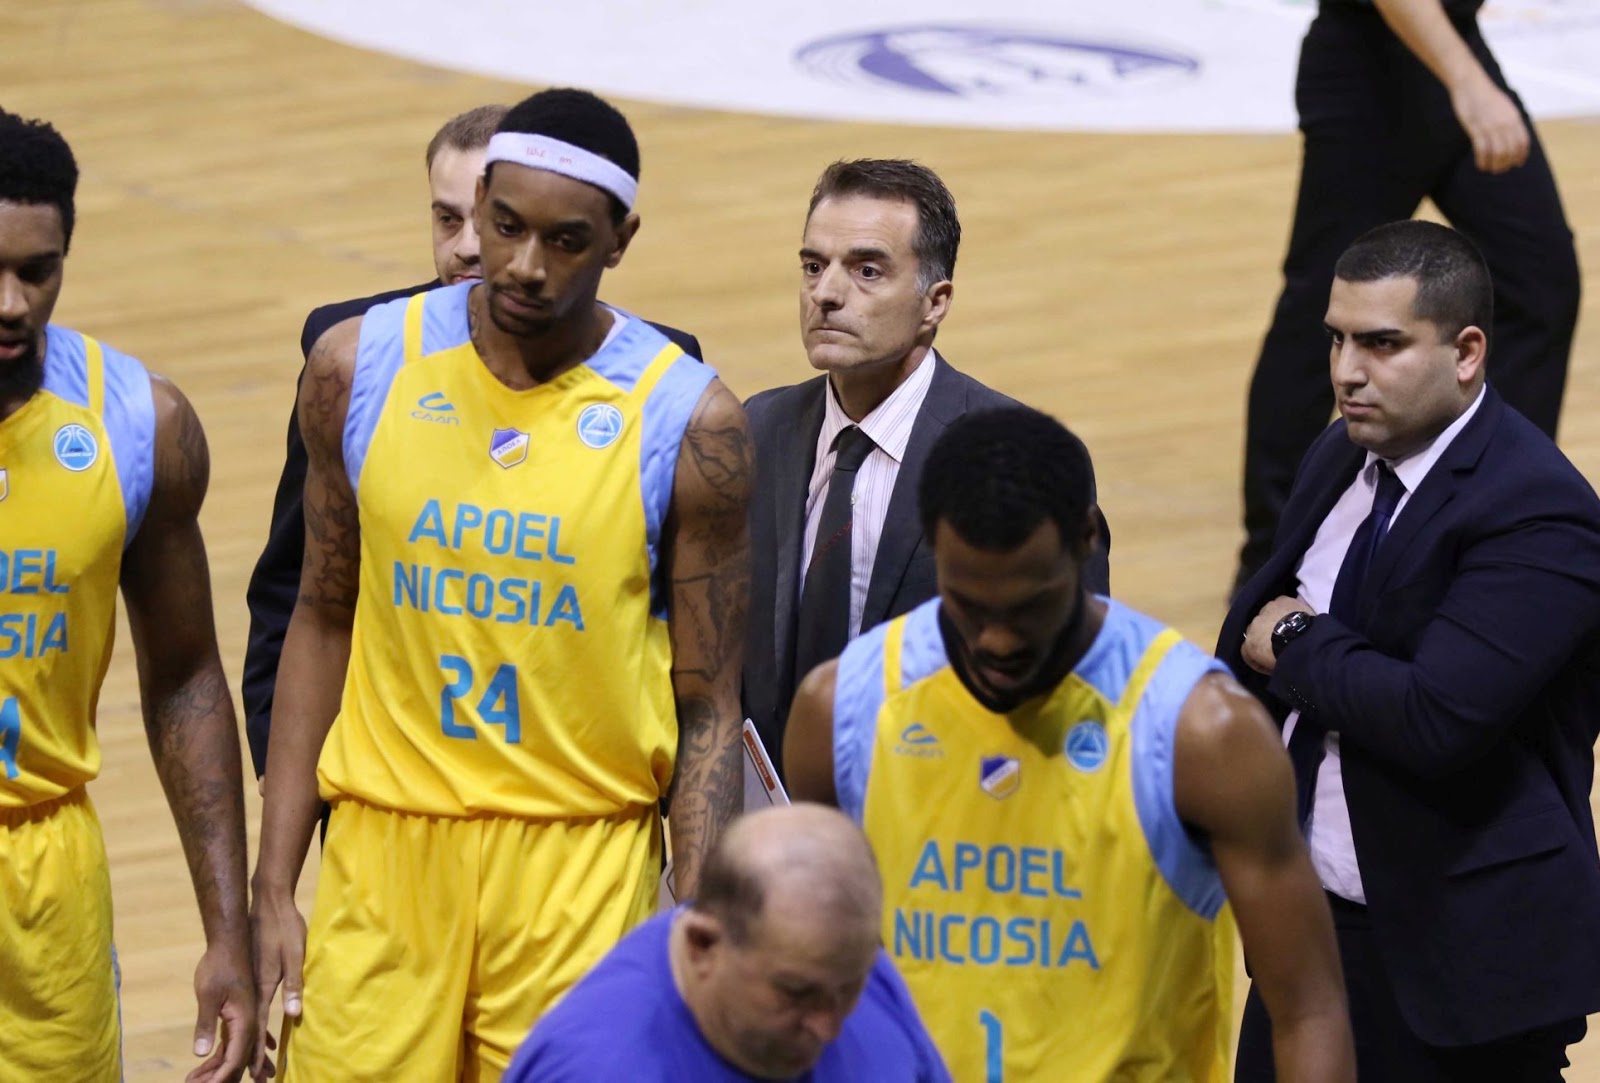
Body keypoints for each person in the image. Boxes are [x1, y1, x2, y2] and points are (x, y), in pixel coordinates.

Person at [249, 88, 751, 1081]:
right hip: (382, 860)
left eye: (565, 242)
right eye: (507, 225)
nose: (524, 265)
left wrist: (694, 925)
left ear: (620, 240)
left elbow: (708, 706)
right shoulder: (355, 368)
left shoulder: (693, 423)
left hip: (582, 867)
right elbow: (319, 618)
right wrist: (273, 884)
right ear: (476, 205)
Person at [785, 407, 1355, 1082]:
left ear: (1086, 539)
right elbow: (805, 969)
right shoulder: (842, 709)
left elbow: (1307, 1006)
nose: (997, 640)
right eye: (970, 605)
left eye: (1029, 605)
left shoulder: (1202, 732)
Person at [1220, 220, 1600, 1079]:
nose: (1347, 371)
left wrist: (1298, 639)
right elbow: (1246, 647)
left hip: (1460, 965)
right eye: (1338, 339)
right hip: (1310, 934)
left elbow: (1435, 716)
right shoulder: (1343, 451)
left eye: (1382, 344)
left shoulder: (1538, 511)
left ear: (1466, 352)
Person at [242, 103, 703, 776]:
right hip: (387, 777)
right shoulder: (352, 354)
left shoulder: (665, 374)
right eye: (445, 218)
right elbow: (295, 581)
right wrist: (284, 765)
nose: (465, 245)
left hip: (571, 771)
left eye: (487, 222)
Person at [0, 110, 255, 1082]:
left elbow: (185, 678)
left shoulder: (137, 420)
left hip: (43, 879)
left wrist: (226, 932)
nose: (12, 303)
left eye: (38, 271)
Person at [743, 158, 1109, 779]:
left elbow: (1076, 685)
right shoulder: (757, 428)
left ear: (935, 302)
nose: (826, 293)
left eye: (867, 270)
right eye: (813, 266)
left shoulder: (1018, 458)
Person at [1234, 0, 1577, 589]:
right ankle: (1272, 555)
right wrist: (1469, 83)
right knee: (1322, 314)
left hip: (1451, 46)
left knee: (1540, 284)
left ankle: (1500, 513)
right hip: (1371, 73)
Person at [506, 804, 950, 1082]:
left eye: (849, 987)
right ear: (703, 946)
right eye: (796, 992)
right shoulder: (593, 1067)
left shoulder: (844, 967)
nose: (829, 1028)